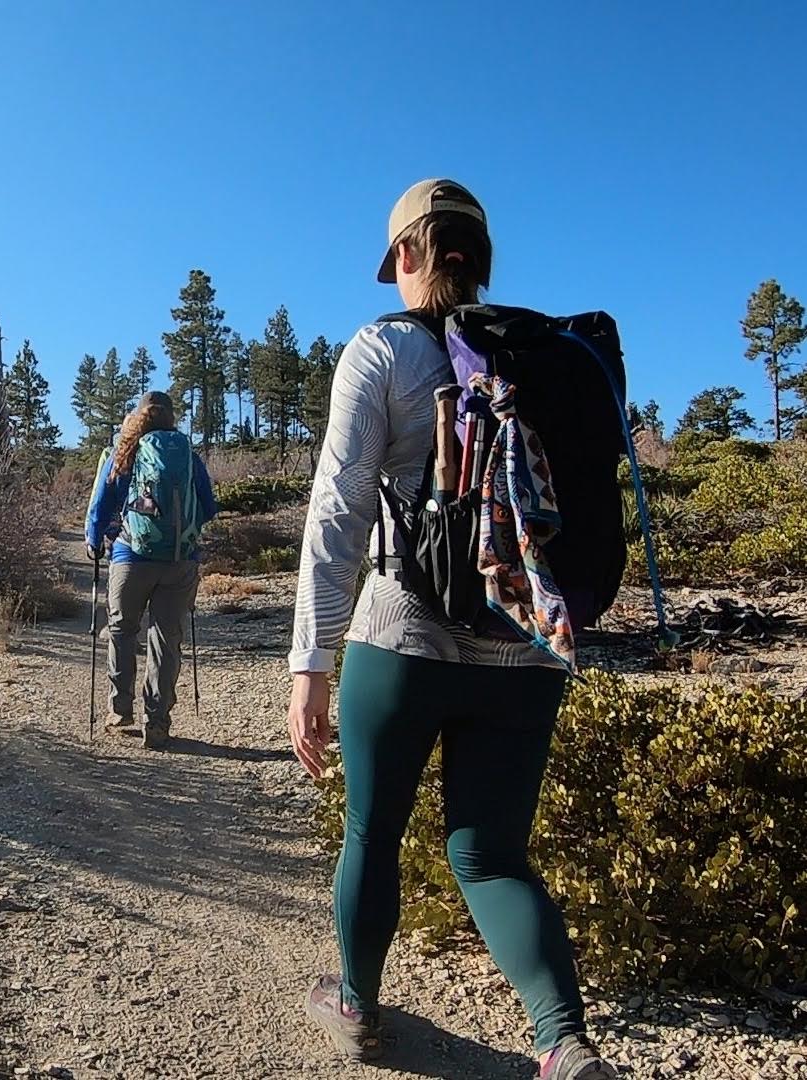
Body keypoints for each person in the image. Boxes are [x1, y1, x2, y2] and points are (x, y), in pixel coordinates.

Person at [286, 179, 617, 1080]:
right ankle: (561, 1042)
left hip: (401, 638)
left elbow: (337, 510)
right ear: (480, 259)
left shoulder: (381, 349)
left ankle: (355, 1005)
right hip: (528, 641)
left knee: (372, 832)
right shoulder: (548, 355)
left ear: (403, 257)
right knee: (489, 854)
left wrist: (308, 663)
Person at [85, 391, 217, 749]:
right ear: (172, 418)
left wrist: (95, 541)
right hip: (179, 561)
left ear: (138, 417)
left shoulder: (124, 452)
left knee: (122, 630)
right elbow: (209, 505)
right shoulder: (187, 456)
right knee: (166, 638)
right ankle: (157, 722)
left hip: (130, 557)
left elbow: (100, 505)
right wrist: (183, 533)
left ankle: (119, 709)